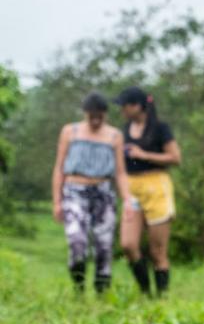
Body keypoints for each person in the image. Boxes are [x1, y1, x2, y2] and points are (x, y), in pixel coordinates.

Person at [51, 92, 134, 293]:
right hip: (74, 191)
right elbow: (59, 167)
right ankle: (78, 285)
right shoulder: (70, 131)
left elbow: (121, 172)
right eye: (92, 116)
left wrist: (128, 200)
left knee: (104, 246)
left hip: (103, 193)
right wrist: (57, 201)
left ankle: (101, 292)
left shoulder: (114, 136)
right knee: (77, 241)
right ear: (85, 113)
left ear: (105, 115)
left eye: (100, 116)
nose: (96, 120)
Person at [115, 86, 182, 296]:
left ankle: (160, 297)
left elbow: (175, 158)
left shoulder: (160, 128)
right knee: (128, 245)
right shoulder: (124, 131)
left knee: (157, 251)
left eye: (124, 106)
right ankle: (145, 290)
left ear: (137, 106)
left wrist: (144, 155)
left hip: (157, 186)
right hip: (132, 189)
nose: (121, 111)